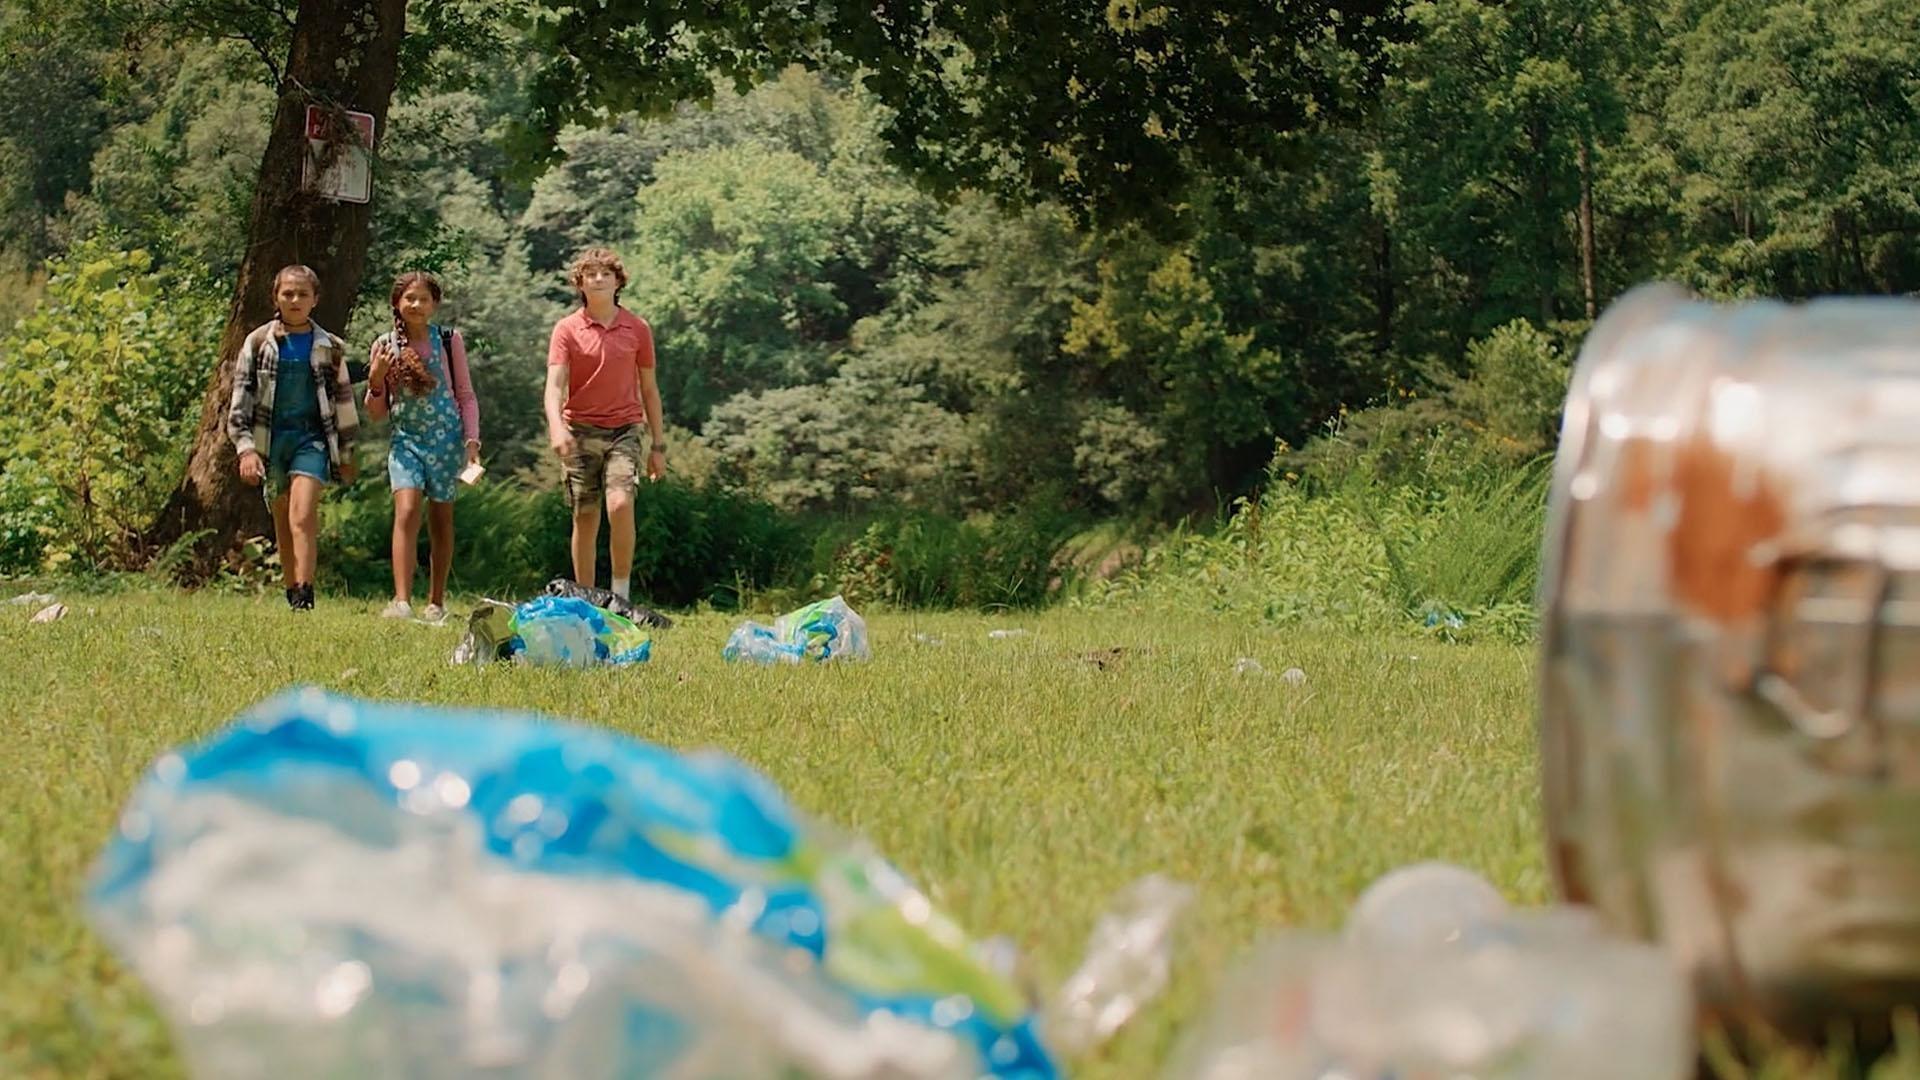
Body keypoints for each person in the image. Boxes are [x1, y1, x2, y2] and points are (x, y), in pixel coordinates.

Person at [226, 264, 360, 611]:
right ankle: (291, 590)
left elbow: (343, 402)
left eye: (303, 293)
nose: (295, 299)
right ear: (276, 297)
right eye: (288, 293)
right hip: (271, 441)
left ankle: (306, 591)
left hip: (311, 440)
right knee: (283, 516)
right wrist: (245, 451)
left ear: (315, 299)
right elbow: (240, 403)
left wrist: (347, 454)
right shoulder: (258, 343)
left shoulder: (329, 347)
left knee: (302, 512)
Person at [544, 247, 665, 600]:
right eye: (590, 274)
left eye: (605, 274)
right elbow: (553, 387)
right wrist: (557, 427)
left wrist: (658, 445)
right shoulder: (566, 329)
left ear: (618, 282)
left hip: (624, 429)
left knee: (621, 504)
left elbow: (650, 389)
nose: (598, 279)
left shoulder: (637, 328)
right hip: (579, 430)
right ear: (580, 283)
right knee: (585, 514)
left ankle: (621, 594)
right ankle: (586, 597)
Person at [364, 271, 481, 621]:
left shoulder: (448, 340)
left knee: (441, 520)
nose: (416, 305)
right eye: (409, 298)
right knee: (407, 510)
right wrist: (375, 377)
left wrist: (472, 440)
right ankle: (401, 601)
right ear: (397, 303)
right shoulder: (384, 345)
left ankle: (436, 602)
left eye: (424, 299)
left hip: (446, 441)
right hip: (406, 442)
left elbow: (465, 395)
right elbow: (376, 413)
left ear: (435, 304)